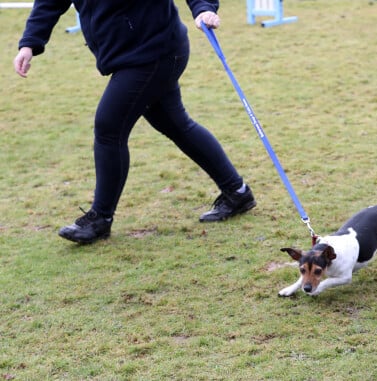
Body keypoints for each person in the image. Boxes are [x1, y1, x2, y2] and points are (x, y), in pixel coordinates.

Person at [13, 0, 256, 244]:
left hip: (155, 51)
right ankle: (237, 192)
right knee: (176, 125)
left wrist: (203, 8)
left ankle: (100, 218)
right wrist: (29, 44)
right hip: (131, 54)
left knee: (109, 128)